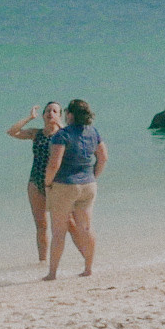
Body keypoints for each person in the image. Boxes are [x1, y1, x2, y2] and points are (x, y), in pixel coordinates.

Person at [43, 98, 104, 280]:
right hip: (88, 185)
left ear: (69, 115)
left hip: (65, 186)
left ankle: (52, 273)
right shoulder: (93, 132)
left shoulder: (62, 135)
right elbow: (103, 157)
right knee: (86, 228)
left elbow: (54, 163)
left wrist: (47, 183)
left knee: (59, 232)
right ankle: (88, 268)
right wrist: (93, 176)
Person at [6, 99, 64, 264]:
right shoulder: (36, 133)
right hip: (35, 181)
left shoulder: (63, 134)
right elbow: (12, 132)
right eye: (48, 111)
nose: (50, 113)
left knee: (64, 224)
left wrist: (59, 125)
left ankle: (61, 260)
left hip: (57, 183)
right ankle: (42, 262)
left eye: (54, 111)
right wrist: (29, 117)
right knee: (41, 226)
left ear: (60, 115)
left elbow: (73, 143)